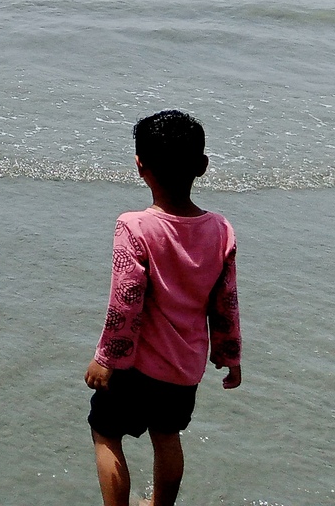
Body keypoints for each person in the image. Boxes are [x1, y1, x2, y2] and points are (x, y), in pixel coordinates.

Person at [85, 110, 242, 506]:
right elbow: (225, 302)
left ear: (140, 166)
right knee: (167, 436)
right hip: (183, 368)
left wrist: (106, 358)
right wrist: (230, 355)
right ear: (202, 166)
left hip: (135, 366)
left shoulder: (134, 226)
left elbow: (126, 299)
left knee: (106, 433)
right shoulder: (220, 230)